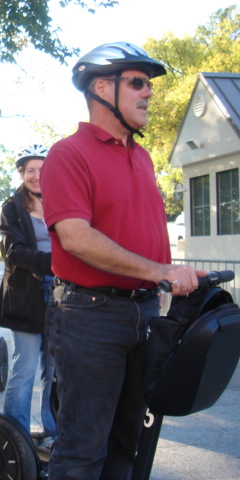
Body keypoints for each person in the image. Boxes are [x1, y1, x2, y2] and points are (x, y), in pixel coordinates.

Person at [40, 42, 201, 480]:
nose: (149, 92)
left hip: (144, 312)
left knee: (128, 445)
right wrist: (160, 272)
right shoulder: (68, 154)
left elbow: (142, 233)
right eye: (138, 83)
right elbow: (74, 237)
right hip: (89, 316)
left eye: (148, 84)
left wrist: (180, 277)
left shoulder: (142, 156)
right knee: (82, 451)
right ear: (101, 87)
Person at [0, 145, 56, 451]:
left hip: (61, 293)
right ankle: (15, 435)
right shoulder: (12, 208)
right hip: (26, 294)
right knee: (26, 365)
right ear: (22, 173)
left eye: (42, 170)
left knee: (55, 367)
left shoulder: (62, 202)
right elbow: (13, 252)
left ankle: (53, 430)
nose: (36, 176)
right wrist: (55, 263)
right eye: (30, 170)